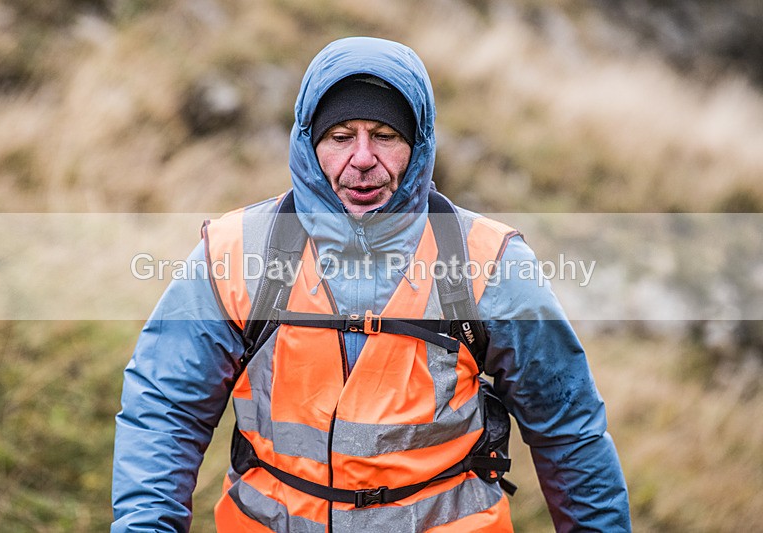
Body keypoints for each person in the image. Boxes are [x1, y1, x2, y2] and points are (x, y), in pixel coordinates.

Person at [112, 37, 631, 532]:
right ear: (308, 144)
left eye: (385, 136)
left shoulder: (491, 264)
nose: (362, 159)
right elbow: (164, 409)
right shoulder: (234, 254)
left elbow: (570, 433)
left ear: (419, 144)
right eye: (340, 137)